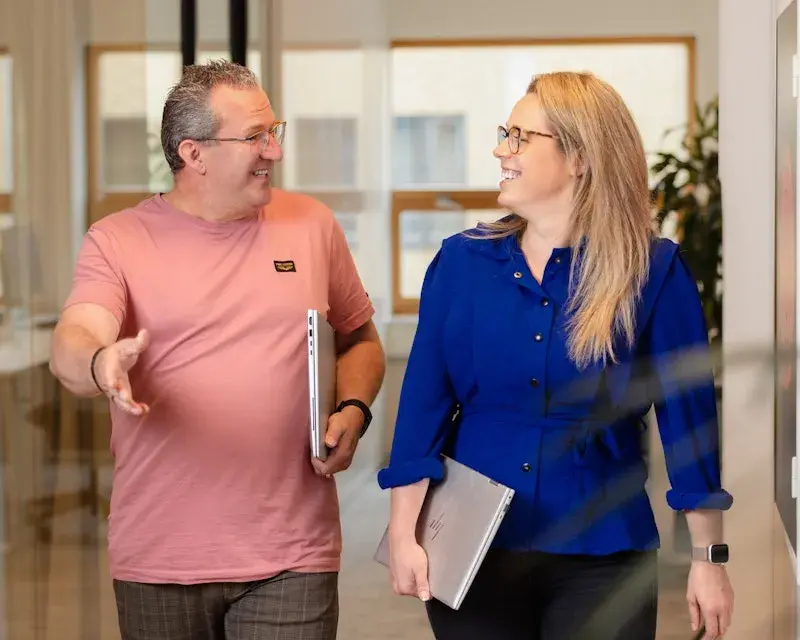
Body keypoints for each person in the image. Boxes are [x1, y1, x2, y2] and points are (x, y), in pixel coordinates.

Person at [377, 71, 734, 640]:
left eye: (520, 137)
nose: (502, 149)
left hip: (605, 556)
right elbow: (421, 406)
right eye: (504, 133)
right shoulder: (462, 264)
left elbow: (690, 425)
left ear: (579, 158)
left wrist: (708, 560)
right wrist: (402, 532)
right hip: (474, 551)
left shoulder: (653, 271)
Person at [49, 60, 385, 640]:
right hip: (160, 557)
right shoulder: (118, 239)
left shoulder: (312, 224)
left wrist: (353, 412)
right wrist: (104, 363)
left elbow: (359, 339)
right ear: (193, 154)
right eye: (255, 136)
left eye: (274, 130)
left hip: (292, 553)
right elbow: (74, 338)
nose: (274, 151)